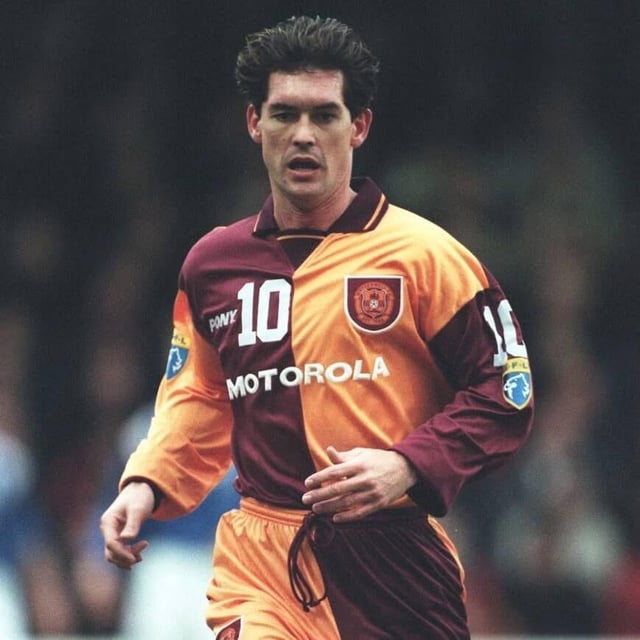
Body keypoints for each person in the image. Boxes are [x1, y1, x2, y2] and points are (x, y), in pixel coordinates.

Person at [100, 15, 534, 639]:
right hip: (262, 562)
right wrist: (147, 482)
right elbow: (199, 394)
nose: (303, 134)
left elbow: (506, 391)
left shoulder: (427, 256)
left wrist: (408, 465)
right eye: (284, 114)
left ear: (359, 126)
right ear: (255, 123)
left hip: (396, 564)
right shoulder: (211, 266)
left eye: (325, 115)